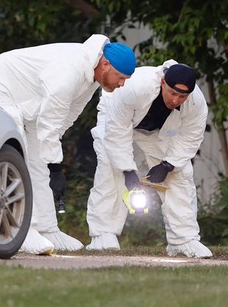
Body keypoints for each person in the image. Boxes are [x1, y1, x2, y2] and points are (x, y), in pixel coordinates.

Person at [0, 34, 136, 255]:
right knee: (18, 148)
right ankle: (23, 229)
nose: (122, 84)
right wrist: (55, 167)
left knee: (39, 159)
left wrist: (51, 161)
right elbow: (50, 121)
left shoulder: (91, 77)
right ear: (105, 64)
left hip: (29, 104)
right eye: (120, 77)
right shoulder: (70, 71)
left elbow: (65, 119)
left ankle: (48, 229)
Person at [85, 60, 213, 258]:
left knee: (180, 174)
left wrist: (168, 164)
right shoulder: (135, 88)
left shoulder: (196, 102)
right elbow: (117, 133)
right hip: (116, 118)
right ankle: (103, 235)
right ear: (163, 83)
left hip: (154, 129)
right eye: (173, 93)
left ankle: (183, 240)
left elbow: (191, 137)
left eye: (182, 96)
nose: (176, 100)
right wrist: (128, 170)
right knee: (110, 169)